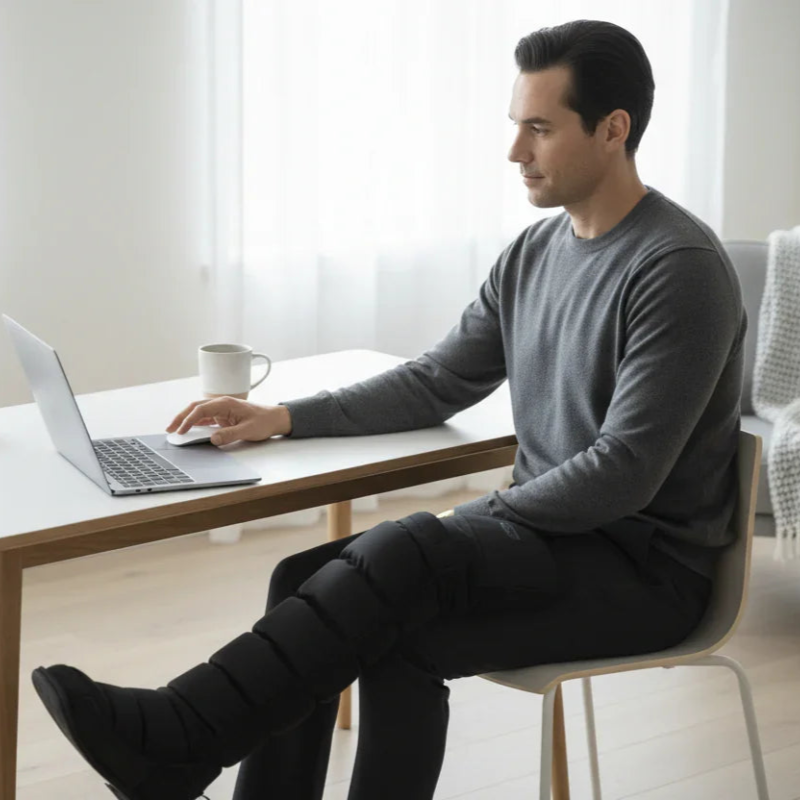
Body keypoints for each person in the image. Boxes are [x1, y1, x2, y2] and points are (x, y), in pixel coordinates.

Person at [31, 18, 746, 800]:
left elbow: (622, 472)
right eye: (516, 125)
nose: (515, 151)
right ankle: (193, 751)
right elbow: (439, 379)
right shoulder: (534, 254)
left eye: (540, 129)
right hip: (547, 545)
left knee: (403, 566)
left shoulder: (678, 269)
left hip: (644, 573)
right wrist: (284, 416)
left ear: (613, 129)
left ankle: (180, 733)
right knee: (306, 578)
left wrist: (467, 520)